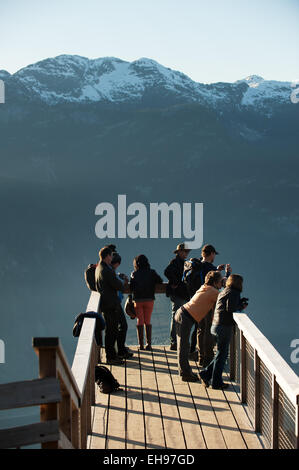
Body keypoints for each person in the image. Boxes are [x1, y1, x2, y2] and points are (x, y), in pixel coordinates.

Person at [199, 274, 248, 389]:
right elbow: (230, 309)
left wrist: (239, 302)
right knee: (222, 355)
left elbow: (227, 305)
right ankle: (216, 382)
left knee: (221, 354)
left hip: (215, 325)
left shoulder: (225, 290)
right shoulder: (234, 292)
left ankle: (206, 374)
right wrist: (241, 307)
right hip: (224, 327)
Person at [175, 270, 223, 382]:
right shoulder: (213, 292)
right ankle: (186, 374)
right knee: (184, 346)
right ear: (216, 282)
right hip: (185, 317)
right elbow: (224, 299)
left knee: (182, 346)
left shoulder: (205, 287)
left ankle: (184, 372)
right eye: (220, 281)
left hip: (182, 313)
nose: (221, 283)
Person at [197, 244, 232, 367]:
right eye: (214, 254)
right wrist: (227, 274)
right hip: (208, 304)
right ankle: (208, 358)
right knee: (207, 331)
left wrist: (217, 270)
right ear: (211, 253)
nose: (214, 256)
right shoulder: (209, 268)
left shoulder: (200, 266)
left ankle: (201, 357)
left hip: (198, 303)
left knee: (200, 330)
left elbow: (209, 279)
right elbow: (223, 286)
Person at [95, 246, 126, 365]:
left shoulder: (99, 268)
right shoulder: (107, 270)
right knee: (111, 331)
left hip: (106, 303)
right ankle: (111, 357)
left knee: (111, 330)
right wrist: (122, 282)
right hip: (110, 304)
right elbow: (118, 285)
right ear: (107, 256)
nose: (112, 258)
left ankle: (112, 355)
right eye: (111, 255)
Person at [130, 254, 163, 351]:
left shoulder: (134, 274)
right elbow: (160, 281)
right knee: (147, 321)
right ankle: (149, 344)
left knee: (140, 321)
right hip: (149, 299)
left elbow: (131, 287)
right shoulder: (152, 272)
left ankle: (141, 345)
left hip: (138, 300)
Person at [164, 243, 191, 351]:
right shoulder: (175, 262)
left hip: (182, 294)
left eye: (187, 252)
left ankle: (177, 341)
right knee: (176, 317)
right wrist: (176, 282)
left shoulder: (184, 263)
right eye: (185, 251)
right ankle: (174, 341)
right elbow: (167, 272)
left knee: (178, 317)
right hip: (178, 294)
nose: (186, 253)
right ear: (179, 252)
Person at [110, 252, 134, 359]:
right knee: (122, 326)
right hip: (114, 303)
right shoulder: (110, 271)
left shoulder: (109, 270)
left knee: (118, 327)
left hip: (113, 302)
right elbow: (119, 284)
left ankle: (120, 349)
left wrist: (120, 276)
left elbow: (116, 278)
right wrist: (124, 280)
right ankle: (120, 350)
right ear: (117, 263)